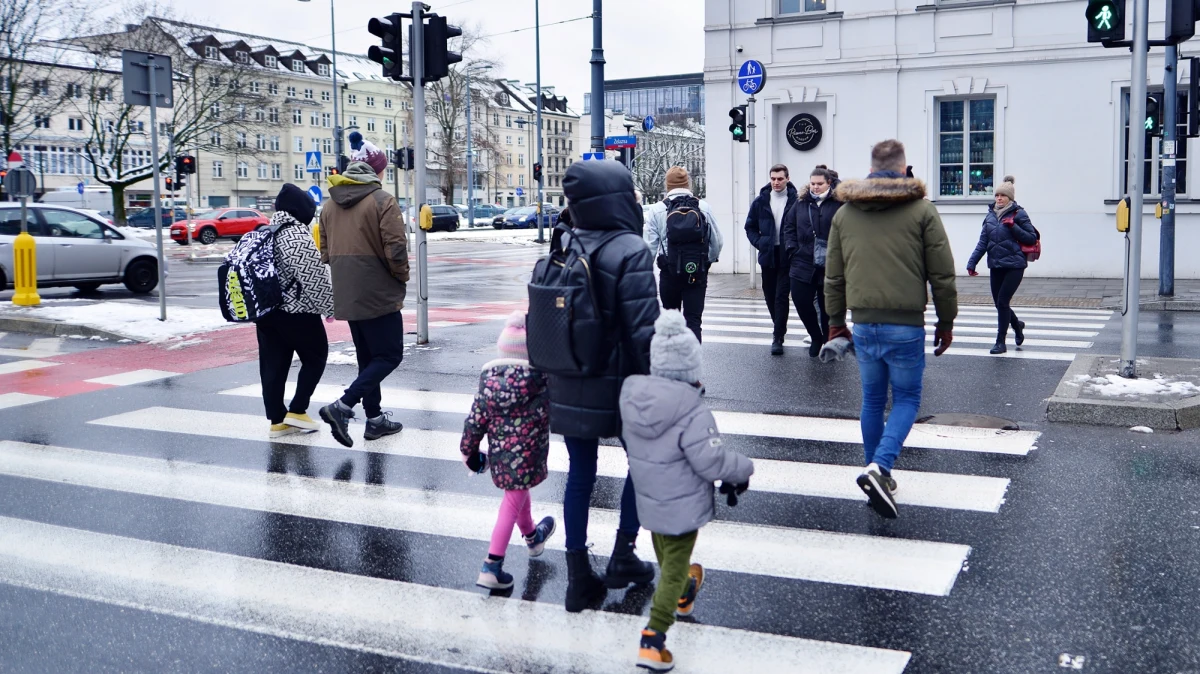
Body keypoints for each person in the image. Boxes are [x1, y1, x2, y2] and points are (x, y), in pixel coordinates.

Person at [548, 160, 661, 613]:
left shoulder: (564, 243)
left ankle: (578, 576)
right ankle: (623, 553)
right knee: (644, 464)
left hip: (570, 375)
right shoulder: (631, 249)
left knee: (580, 473)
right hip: (623, 382)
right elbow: (645, 332)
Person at [825, 140, 958, 520]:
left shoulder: (845, 214)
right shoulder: (922, 211)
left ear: (871, 170)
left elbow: (833, 276)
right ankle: (880, 467)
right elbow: (942, 275)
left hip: (864, 323)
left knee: (871, 401)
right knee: (906, 400)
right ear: (903, 169)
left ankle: (875, 473)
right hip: (906, 324)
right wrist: (946, 321)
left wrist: (836, 323)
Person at [620, 310, 754, 672]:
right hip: (682, 507)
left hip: (648, 500)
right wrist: (744, 468)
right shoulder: (693, 411)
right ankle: (653, 637)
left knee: (669, 560)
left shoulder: (634, 399)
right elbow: (711, 462)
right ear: (691, 368)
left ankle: (682, 593)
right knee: (675, 567)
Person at [460, 312, 557, 590]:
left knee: (518, 491)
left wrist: (468, 451)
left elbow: (475, 420)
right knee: (513, 500)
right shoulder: (541, 381)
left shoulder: (489, 383)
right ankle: (491, 565)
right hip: (530, 454)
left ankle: (533, 538)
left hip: (501, 455)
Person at [317, 160, 408, 448]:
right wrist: (401, 277)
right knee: (389, 355)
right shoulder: (383, 200)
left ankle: (375, 419)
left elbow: (324, 250)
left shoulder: (329, 206)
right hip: (378, 290)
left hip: (347, 290)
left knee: (368, 359)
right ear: (375, 175)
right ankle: (342, 406)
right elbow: (396, 247)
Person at [256, 183, 335, 438]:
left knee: (273, 367)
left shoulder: (264, 231)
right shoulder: (295, 236)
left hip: (265, 313)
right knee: (316, 357)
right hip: (297, 313)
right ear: (301, 211)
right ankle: (298, 410)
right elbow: (314, 279)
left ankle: (277, 421)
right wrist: (330, 308)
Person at [645, 166, 722, 342]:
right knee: (693, 321)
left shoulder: (657, 209)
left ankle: (672, 356)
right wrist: (707, 261)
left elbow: (650, 247)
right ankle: (693, 357)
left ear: (667, 185)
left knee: (671, 323)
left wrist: (646, 273)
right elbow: (717, 241)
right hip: (696, 271)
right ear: (688, 183)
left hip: (669, 272)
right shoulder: (703, 207)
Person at [966, 176, 1038, 355]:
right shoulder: (990, 216)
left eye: (1002, 195)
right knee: (999, 304)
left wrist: (1013, 227)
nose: (999, 198)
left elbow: (1031, 238)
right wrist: (972, 262)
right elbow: (983, 243)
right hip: (996, 265)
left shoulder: (1019, 214)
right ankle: (1017, 325)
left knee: (1003, 301)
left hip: (1015, 265)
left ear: (1010, 198)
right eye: (997, 195)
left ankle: (1000, 342)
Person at [782, 165, 841, 357]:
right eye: (812, 183)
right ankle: (815, 335)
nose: (815, 187)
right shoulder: (801, 202)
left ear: (829, 183)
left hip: (830, 263)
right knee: (800, 301)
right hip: (802, 261)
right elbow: (789, 226)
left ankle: (828, 340)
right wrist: (792, 248)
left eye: (819, 184)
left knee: (827, 307)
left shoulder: (839, 203)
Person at [744, 164, 798, 355]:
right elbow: (749, 227)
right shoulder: (760, 201)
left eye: (780, 179)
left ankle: (777, 337)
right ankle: (779, 326)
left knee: (781, 296)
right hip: (768, 254)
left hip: (787, 254)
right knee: (769, 295)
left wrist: (795, 246)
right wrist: (760, 242)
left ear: (787, 179)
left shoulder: (796, 201)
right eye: (773, 178)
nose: (776, 182)